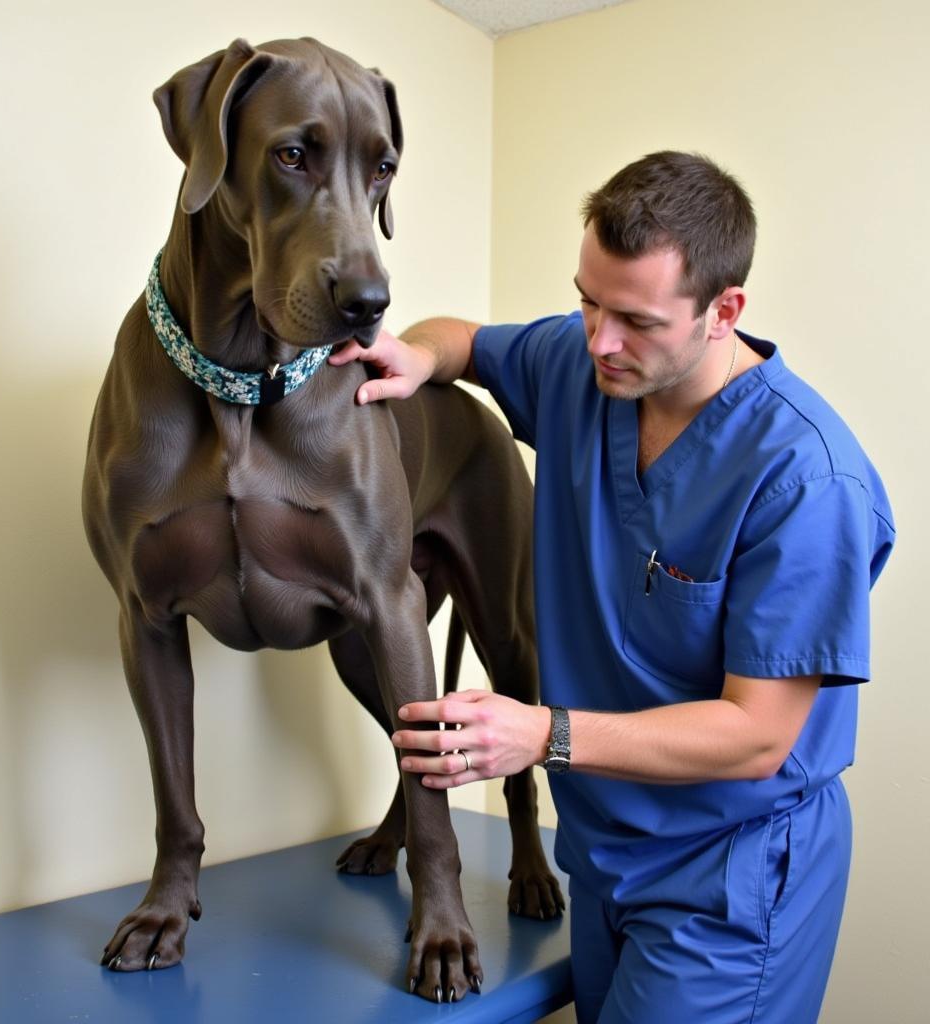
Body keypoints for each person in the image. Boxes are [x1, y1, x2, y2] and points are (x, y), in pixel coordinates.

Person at [329, 150, 895, 1023]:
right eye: (587, 301)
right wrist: (414, 356)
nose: (599, 339)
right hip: (601, 857)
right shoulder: (582, 365)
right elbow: (470, 342)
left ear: (723, 310)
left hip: (730, 876)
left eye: (633, 319)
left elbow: (756, 736)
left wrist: (539, 734)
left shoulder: (806, 480)